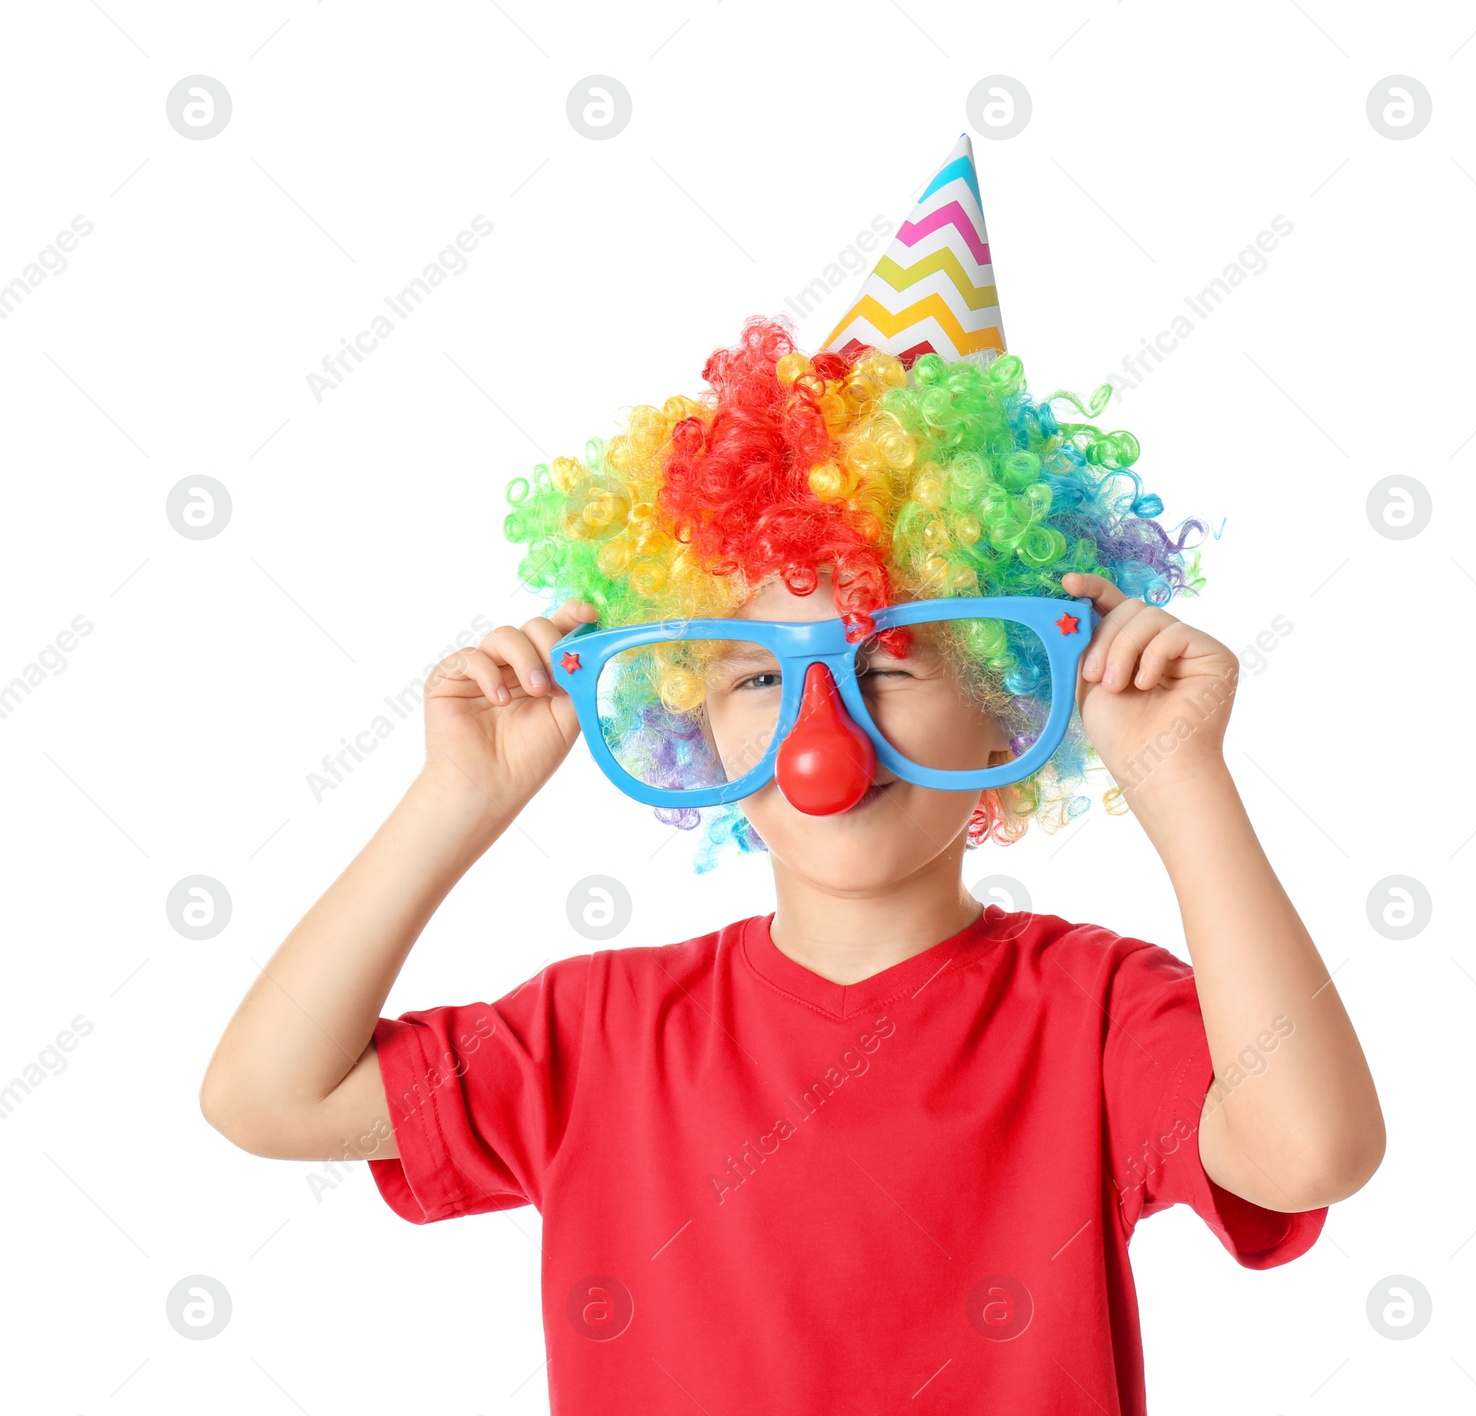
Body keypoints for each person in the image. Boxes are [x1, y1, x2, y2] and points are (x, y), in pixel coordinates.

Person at [200, 140, 1383, 1415]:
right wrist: (457, 801)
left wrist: (1181, 783)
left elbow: (1308, 1149)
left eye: (892, 663)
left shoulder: (1090, 1012)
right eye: (759, 675)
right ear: (690, 718)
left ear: (1011, 704)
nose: (825, 730)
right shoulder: (601, 1035)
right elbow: (268, 1098)